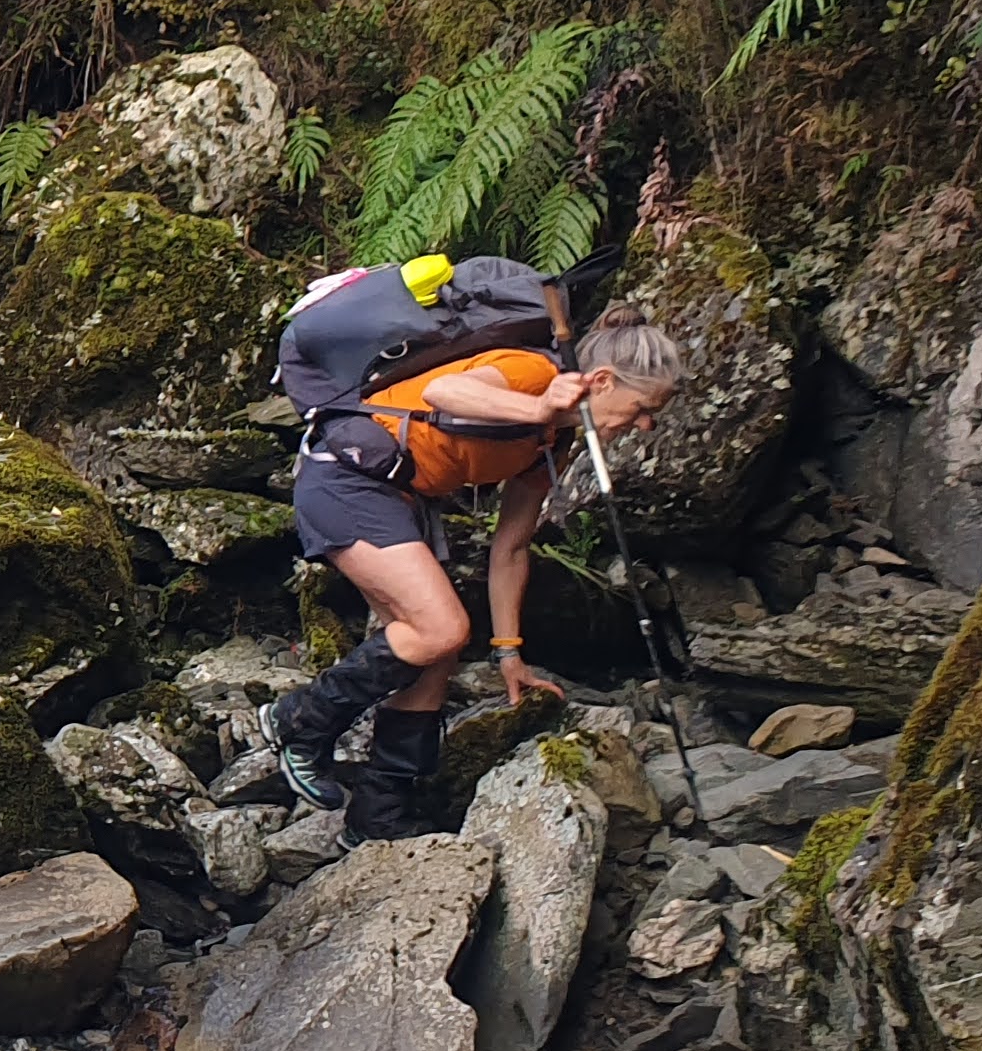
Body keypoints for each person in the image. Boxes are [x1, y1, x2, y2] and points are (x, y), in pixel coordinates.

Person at [259, 310, 692, 840]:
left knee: (439, 653)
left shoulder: (553, 442)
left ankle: (378, 815)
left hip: (400, 498)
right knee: (439, 628)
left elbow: (510, 547)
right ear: (601, 381)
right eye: (644, 408)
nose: (645, 424)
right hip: (345, 478)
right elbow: (446, 391)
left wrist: (509, 651)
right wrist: (539, 406)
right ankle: (300, 720)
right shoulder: (529, 373)